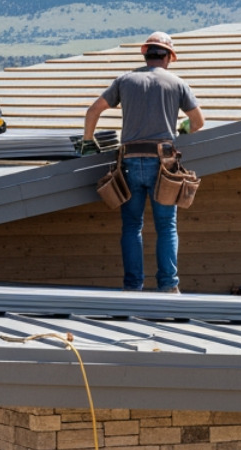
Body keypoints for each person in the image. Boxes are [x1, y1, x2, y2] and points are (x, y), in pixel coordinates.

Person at [83, 31, 205, 293]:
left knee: (131, 227)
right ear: (169, 57)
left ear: (145, 53)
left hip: (128, 162)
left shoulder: (125, 80)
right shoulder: (176, 83)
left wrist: (88, 142)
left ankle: (132, 287)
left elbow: (93, 111)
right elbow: (198, 122)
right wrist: (182, 130)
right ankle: (169, 287)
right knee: (166, 226)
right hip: (163, 164)